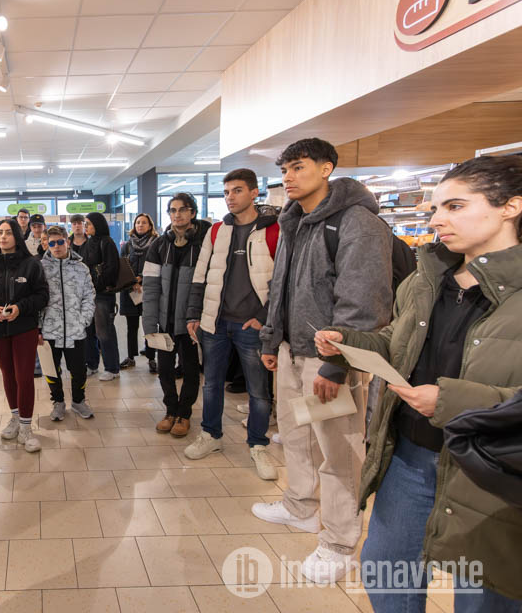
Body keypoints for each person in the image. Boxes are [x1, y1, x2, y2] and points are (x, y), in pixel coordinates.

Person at [315, 155, 522, 612]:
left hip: (493, 472)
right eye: (434, 209)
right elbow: (399, 342)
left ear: (510, 206)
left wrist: (450, 400)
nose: (437, 220)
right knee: (387, 573)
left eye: (454, 206)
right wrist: (348, 342)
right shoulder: (429, 277)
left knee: (486, 595)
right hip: (410, 455)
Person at [255, 137, 393, 584]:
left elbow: (363, 301)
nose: (289, 178)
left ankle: (338, 541)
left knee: (338, 450)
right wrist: (272, 341)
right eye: (285, 170)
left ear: (327, 167)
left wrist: (337, 365)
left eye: (298, 167)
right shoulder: (295, 220)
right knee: (296, 436)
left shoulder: (357, 223)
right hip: (292, 351)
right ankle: (300, 507)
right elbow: (281, 288)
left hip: (328, 359)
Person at [184, 169, 280, 480]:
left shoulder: (273, 230)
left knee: (258, 390)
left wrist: (264, 318)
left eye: (237, 191)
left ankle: (258, 444)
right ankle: (211, 435)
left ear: (254, 193)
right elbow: (200, 276)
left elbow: (282, 281)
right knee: (211, 384)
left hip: (251, 326)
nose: (230, 197)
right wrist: (193, 314)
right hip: (216, 323)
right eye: (226, 192)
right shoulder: (216, 231)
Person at [142, 193, 211, 438]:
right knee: (165, 369)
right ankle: (170, 410)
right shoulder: (159, 245)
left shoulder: (204, 244)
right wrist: (150, 323)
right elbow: (150, 287)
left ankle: (184, 413)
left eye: (183, 210)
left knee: (191, 369)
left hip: (192, 322)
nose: (177, 214)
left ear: (192, 213)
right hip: (164, 322)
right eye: (172, 210)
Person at [0, 219, 49, 452]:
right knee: (7, 375)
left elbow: (42, 296)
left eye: (8, 233)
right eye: (0, 233)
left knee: (24, 376)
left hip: (24, 328)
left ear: (17, 236)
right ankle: (15, 418)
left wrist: (21, 307)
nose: (3, 237)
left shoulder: (31, 264)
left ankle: (27, 427)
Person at [40, 225, 96, 421]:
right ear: (47, 244)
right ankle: (58, 402)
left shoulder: (81, 268)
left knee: (79, 370)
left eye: (60, 242)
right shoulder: (41, 268)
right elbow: (37, 300)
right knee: (51, 368)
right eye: (52, 243)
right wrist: (39, 327)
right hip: (49, 330)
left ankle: (79, 401)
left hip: (76, 330)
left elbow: (89, 296)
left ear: (67, 242)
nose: (56, 247)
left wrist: (84, 320)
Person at [81, 211, 121, 381]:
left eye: (88, 224)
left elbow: (112, 269)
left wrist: (95, 285)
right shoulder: (89, 243)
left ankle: (112, 368)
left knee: (104, 332)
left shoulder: (107, 242)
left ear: (97, 225)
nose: (85, 227)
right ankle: (92, 364)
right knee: (88, 331)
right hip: (88, 295)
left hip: (103, 294)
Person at [119, 213, 158, 372]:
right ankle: (131, 356)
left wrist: (142, 279)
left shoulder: (156, 244)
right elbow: (121, 267)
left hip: (149, 290)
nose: (140, 225)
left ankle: (151, 357)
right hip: (130, 291)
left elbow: (158, 266)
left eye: (144, 223)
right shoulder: (127, 246)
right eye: (137, 223)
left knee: (150, 325)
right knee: (131, 326)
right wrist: (132, 282)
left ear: (150, 226)